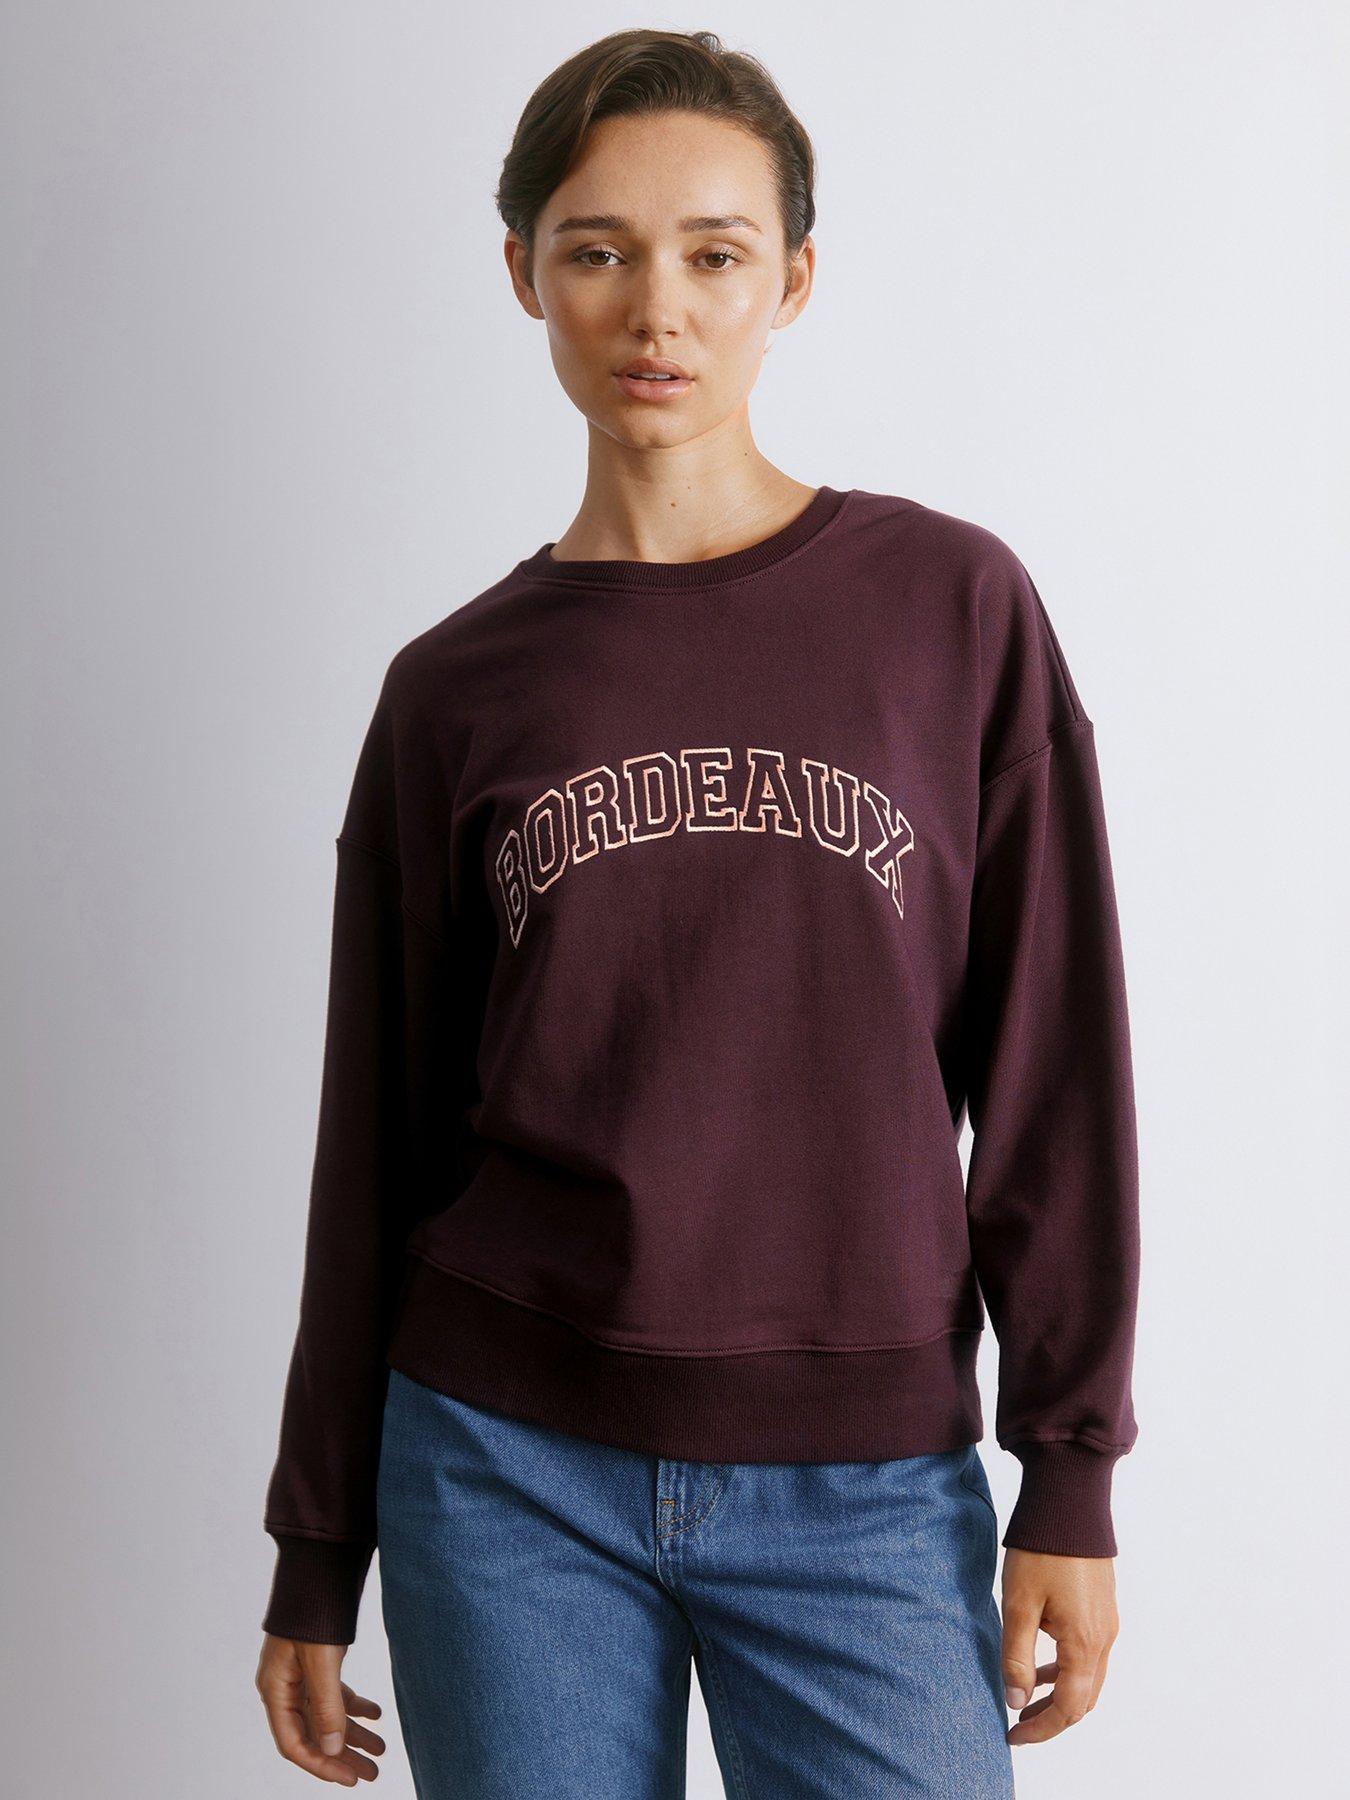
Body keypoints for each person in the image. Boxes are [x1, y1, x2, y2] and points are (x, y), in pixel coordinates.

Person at [254, 26, 1139, 1798]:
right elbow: (379, 1141)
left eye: (713, 254)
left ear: (790, 278)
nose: (655, 308)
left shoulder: (950, 611)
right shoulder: (452, 691)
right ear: (524, 273)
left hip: (863, 1478)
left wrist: (1069, 1467)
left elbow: (1051, 1066)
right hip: (501, 1468)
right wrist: (317, 1543)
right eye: (597, 249)